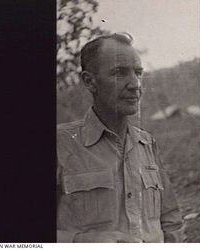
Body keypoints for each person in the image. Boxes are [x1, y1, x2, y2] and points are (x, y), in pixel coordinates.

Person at [57, 32, 185, 243]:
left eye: (138, 72)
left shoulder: (147, 143)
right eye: (119, 73)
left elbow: (170, 220)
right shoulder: (61, 144)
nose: (135, 84)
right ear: (90, 82)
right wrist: (87, 242)